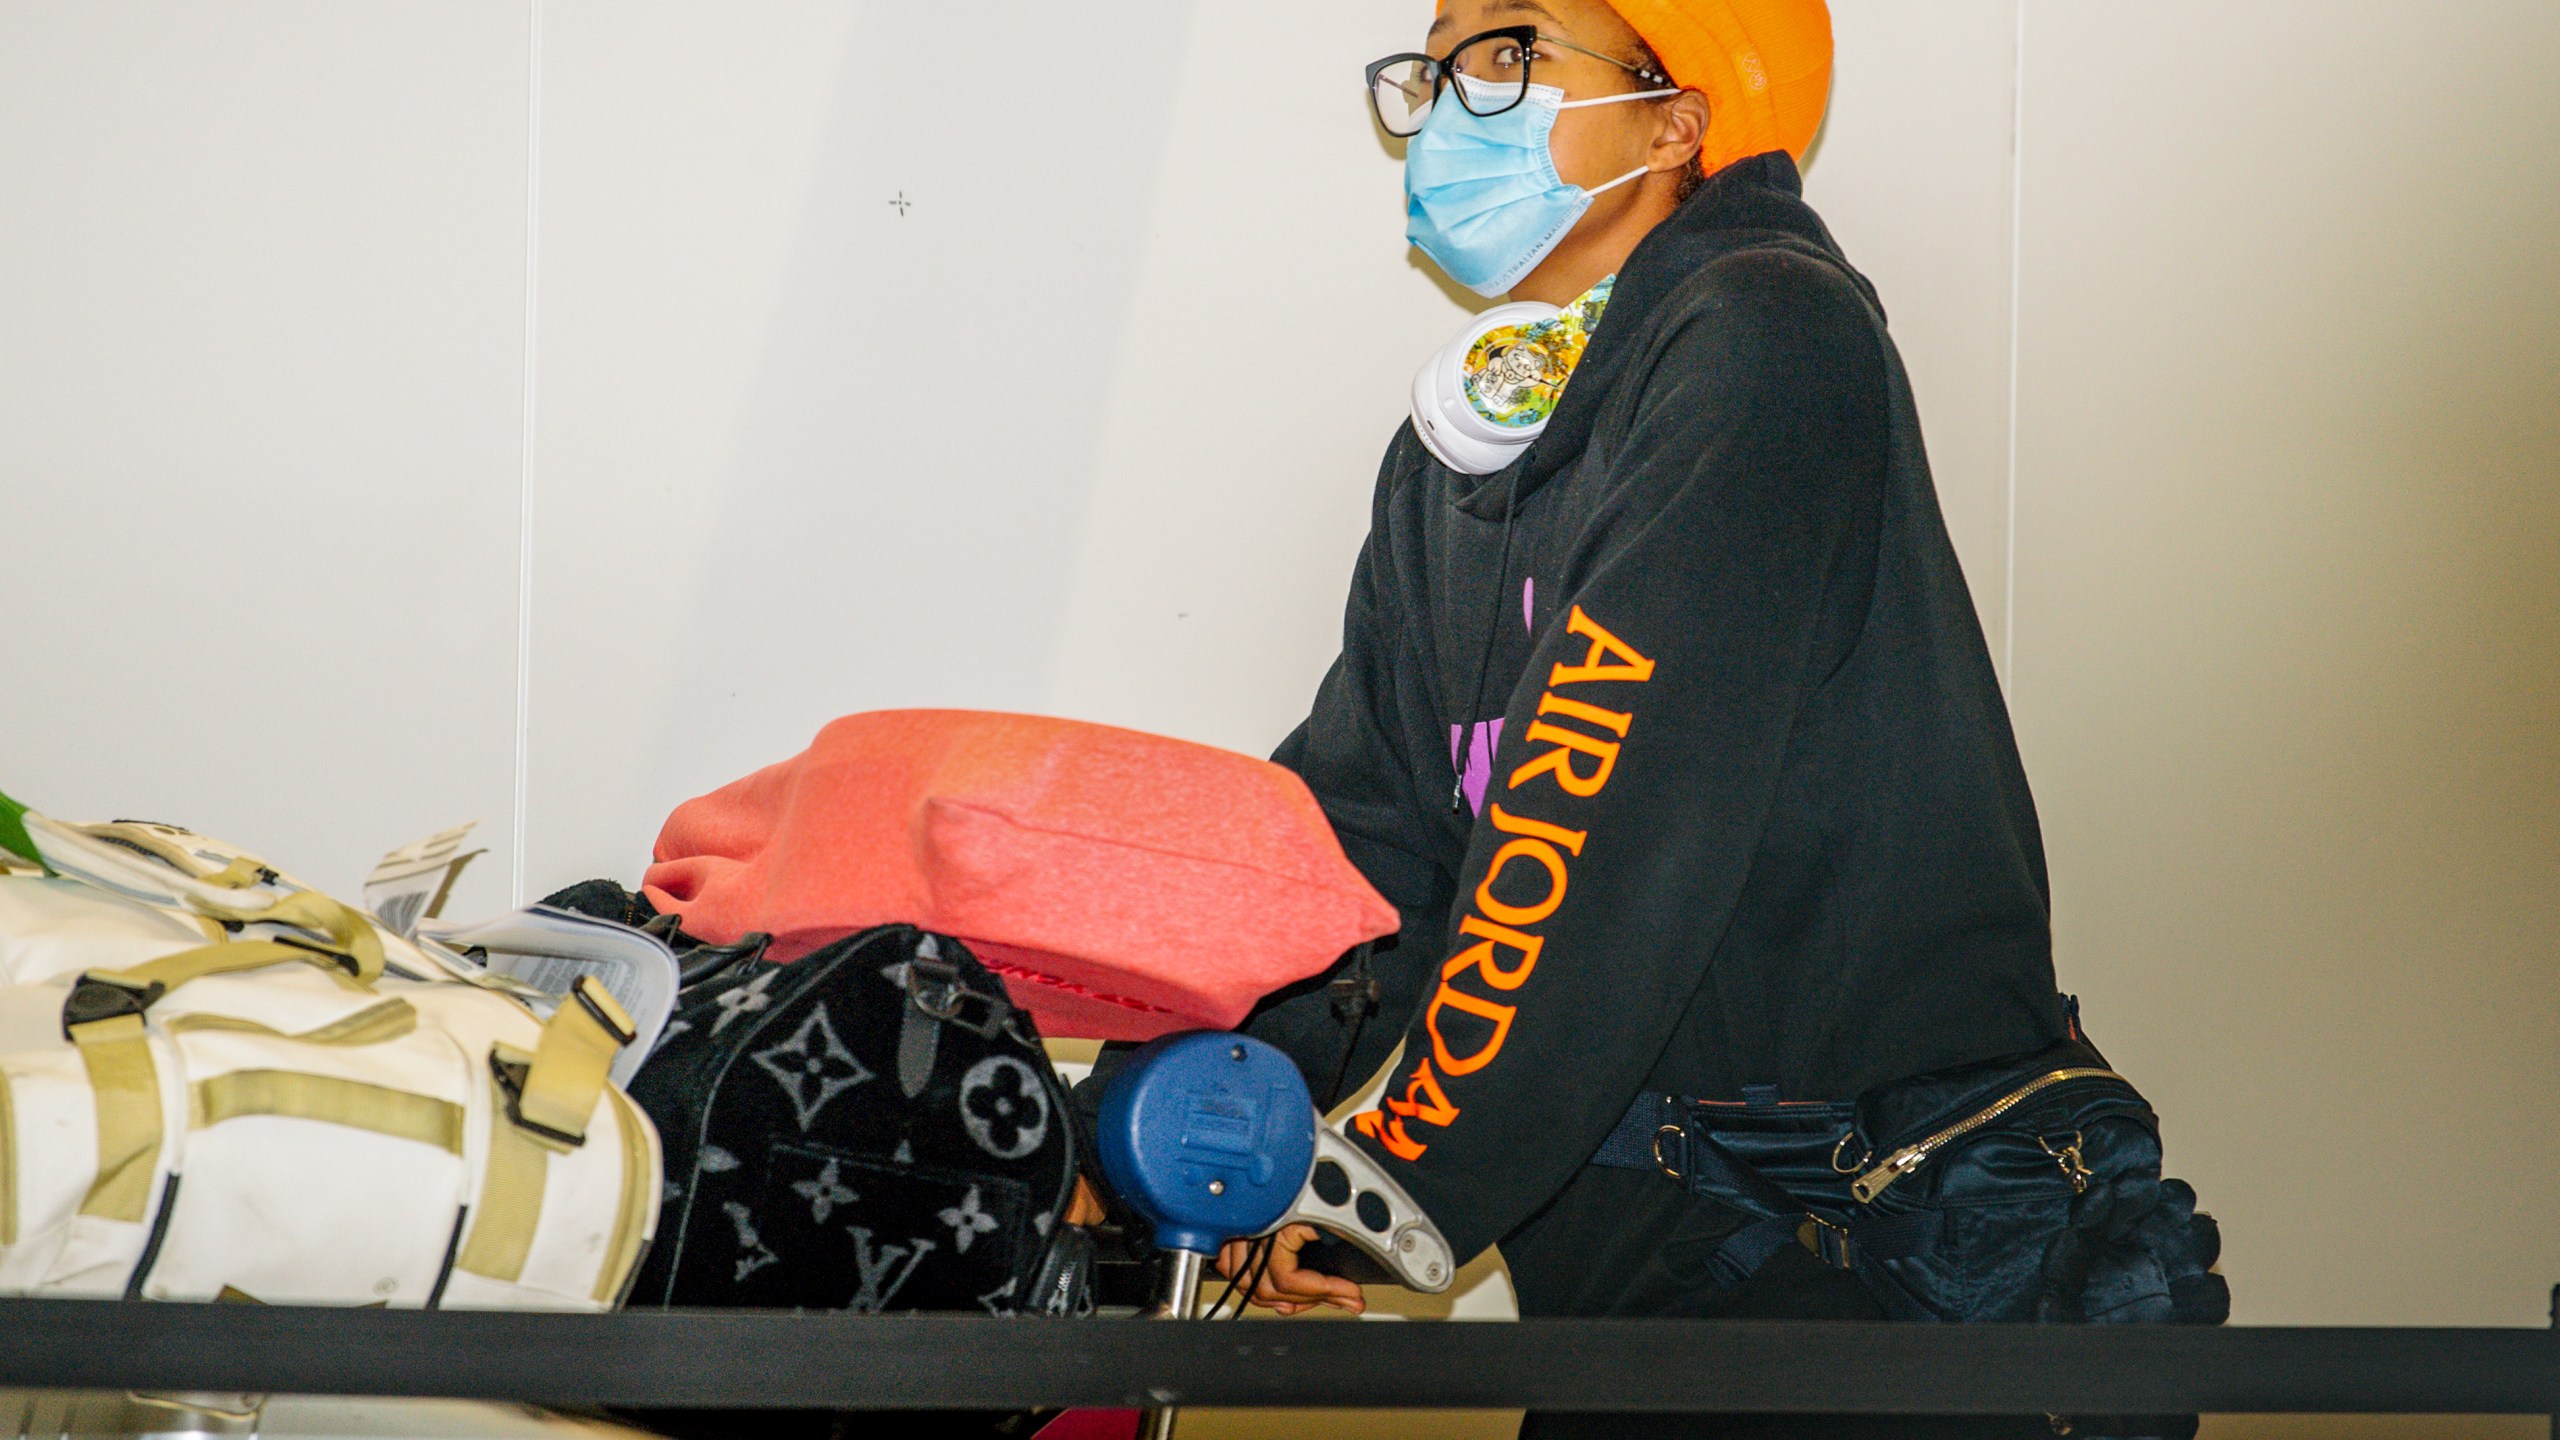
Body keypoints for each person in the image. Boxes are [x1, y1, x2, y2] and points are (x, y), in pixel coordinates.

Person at [1224, 0, 2069, 1433]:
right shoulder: (1458, 453)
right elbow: (1359, 843)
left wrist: (1386, 1185)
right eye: (1433, 65)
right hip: (1636, 1279)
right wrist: (1187, 1119)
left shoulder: (1764, 336)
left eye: (1507, 50)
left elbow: (1598, 825)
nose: (1446, 101)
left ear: (1680, 120)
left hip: (1864, 1267)